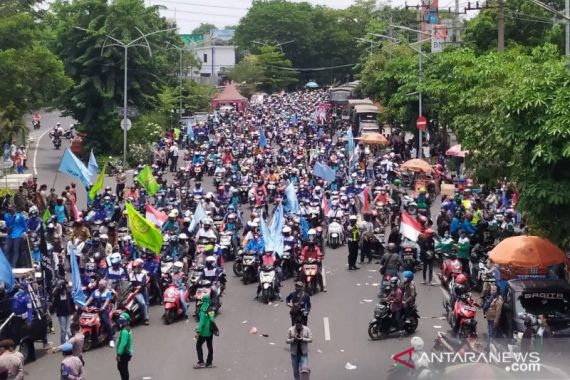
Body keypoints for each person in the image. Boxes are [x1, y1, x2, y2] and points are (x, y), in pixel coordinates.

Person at [84, 279, 114, 347]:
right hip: (95, 310)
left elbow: (107, 301)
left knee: (106, 322)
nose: (100, 286)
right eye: (99, 284)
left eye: (101, 285)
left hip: (104, 310)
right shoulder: (95, 292)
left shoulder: (108, 292)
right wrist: (85, 305)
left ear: (105, 285)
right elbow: (90, 299)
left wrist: (103, 307)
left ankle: (111, 339)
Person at [51, 280, 75, 344]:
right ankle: (63, 344)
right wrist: (52, 311)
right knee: (63, 330)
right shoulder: (57, 295)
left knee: (68, 330)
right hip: (61, 314)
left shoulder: (68, 293)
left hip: (68, 313)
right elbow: (54, 303)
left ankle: (72, 343)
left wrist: (74, 311)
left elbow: (71, 302)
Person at [194, 294, 215, 368]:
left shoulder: (203, 309)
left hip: (203, 333)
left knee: (198, 346)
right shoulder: (211, 308)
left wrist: (198, 331)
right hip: (210, 331)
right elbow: (212, 319)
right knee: (210, 347)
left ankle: (201, 362)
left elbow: (202, 322)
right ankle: (209, 363)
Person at [116, 313, 133, 380]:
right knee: (123, 368)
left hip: (124, 353)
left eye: (122, 319)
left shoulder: (125, 331)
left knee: (122, 368)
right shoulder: (125, 328)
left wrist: (119, 354)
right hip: (126, 352)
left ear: (126, 321)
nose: (120, 320)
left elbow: (123, 343)